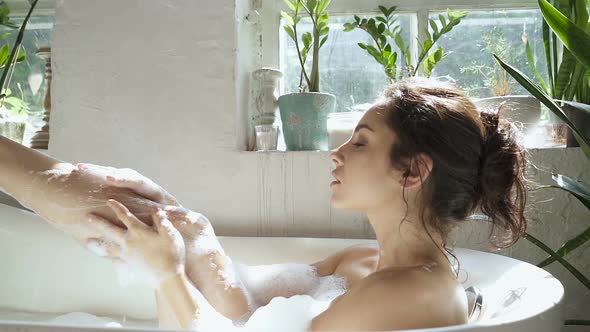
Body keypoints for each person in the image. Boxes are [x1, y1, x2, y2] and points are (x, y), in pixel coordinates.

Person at [0, 78, 528, 331]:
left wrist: (167, 276)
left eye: (361, 141)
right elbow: (245, 306)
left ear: (412, 171)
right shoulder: (360, 264)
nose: (336, 153)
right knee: (182, 228)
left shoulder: (405, 295)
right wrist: (191, 236)